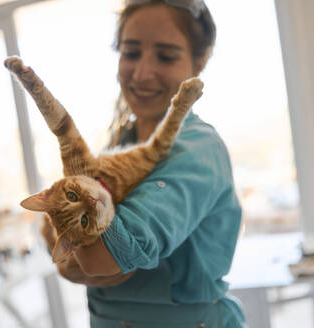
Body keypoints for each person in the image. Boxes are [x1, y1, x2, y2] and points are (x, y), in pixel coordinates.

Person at [46, 0, 247, 326]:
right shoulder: (118, 145)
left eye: (166, 56)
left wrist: (76, 253)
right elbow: (67, 246)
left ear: (199, 62)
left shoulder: (197, 150)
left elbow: (102, 257)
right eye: (131, 52)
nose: (141, 73)